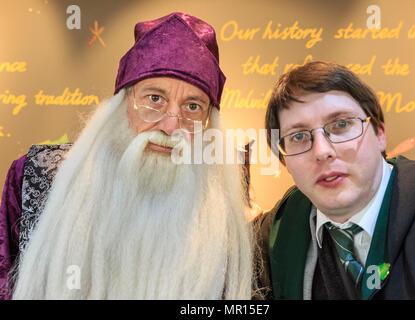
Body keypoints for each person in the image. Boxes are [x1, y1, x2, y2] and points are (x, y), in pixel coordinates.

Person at [0, 12, 255, 299]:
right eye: (154, 99)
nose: (171, 126)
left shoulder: (221, 204)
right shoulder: (37, 176)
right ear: (124, 103)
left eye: (193, 106)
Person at [255, 61, 415, 300]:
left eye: (341, 124)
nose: (322, 151)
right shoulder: (278, 231)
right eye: (298, 136)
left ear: (379, 133)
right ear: (285, 162)